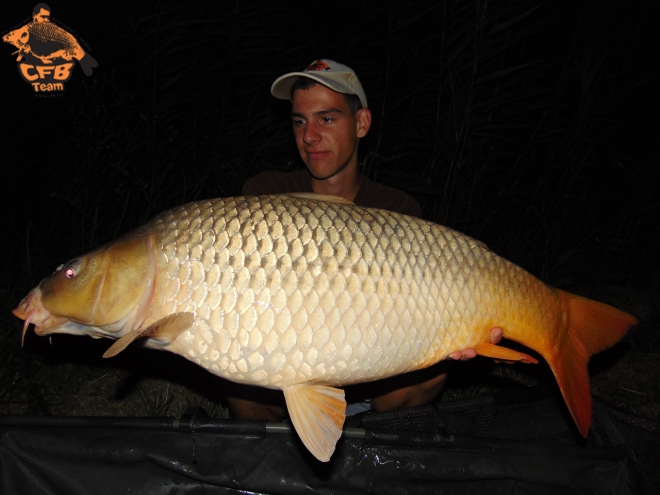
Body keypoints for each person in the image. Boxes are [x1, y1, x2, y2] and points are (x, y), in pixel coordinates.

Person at [229, 59, 502, 421]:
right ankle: (281, 452)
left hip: (376, 384)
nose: (309, 136)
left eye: (326, 118)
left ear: (361, 123)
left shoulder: (397, 209)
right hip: (286, 381)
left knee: (434, 371)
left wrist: (451, 330)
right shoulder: (266, 195)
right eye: (299, 121)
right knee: (240, 384)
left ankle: (371, 440)